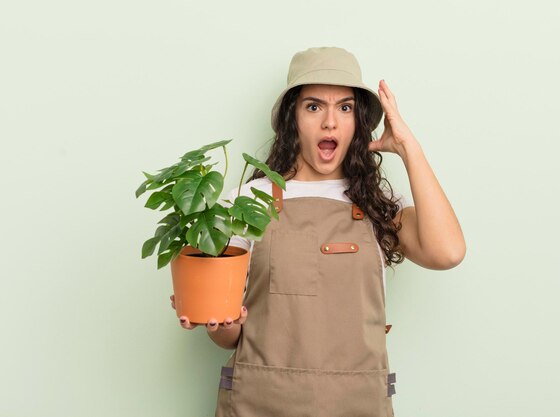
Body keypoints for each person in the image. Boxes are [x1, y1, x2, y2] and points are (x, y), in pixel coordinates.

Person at [171, 47, 466, 416]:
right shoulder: (249, 200)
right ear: (292, 118)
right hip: (260, 405)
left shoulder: (377, 205)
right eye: (313, 106)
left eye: (344, 108)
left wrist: (408, 147)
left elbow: (449, 252)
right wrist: (217, 323)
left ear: (358, 121)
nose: (330, 122)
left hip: (357, 406)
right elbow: (229, 338)